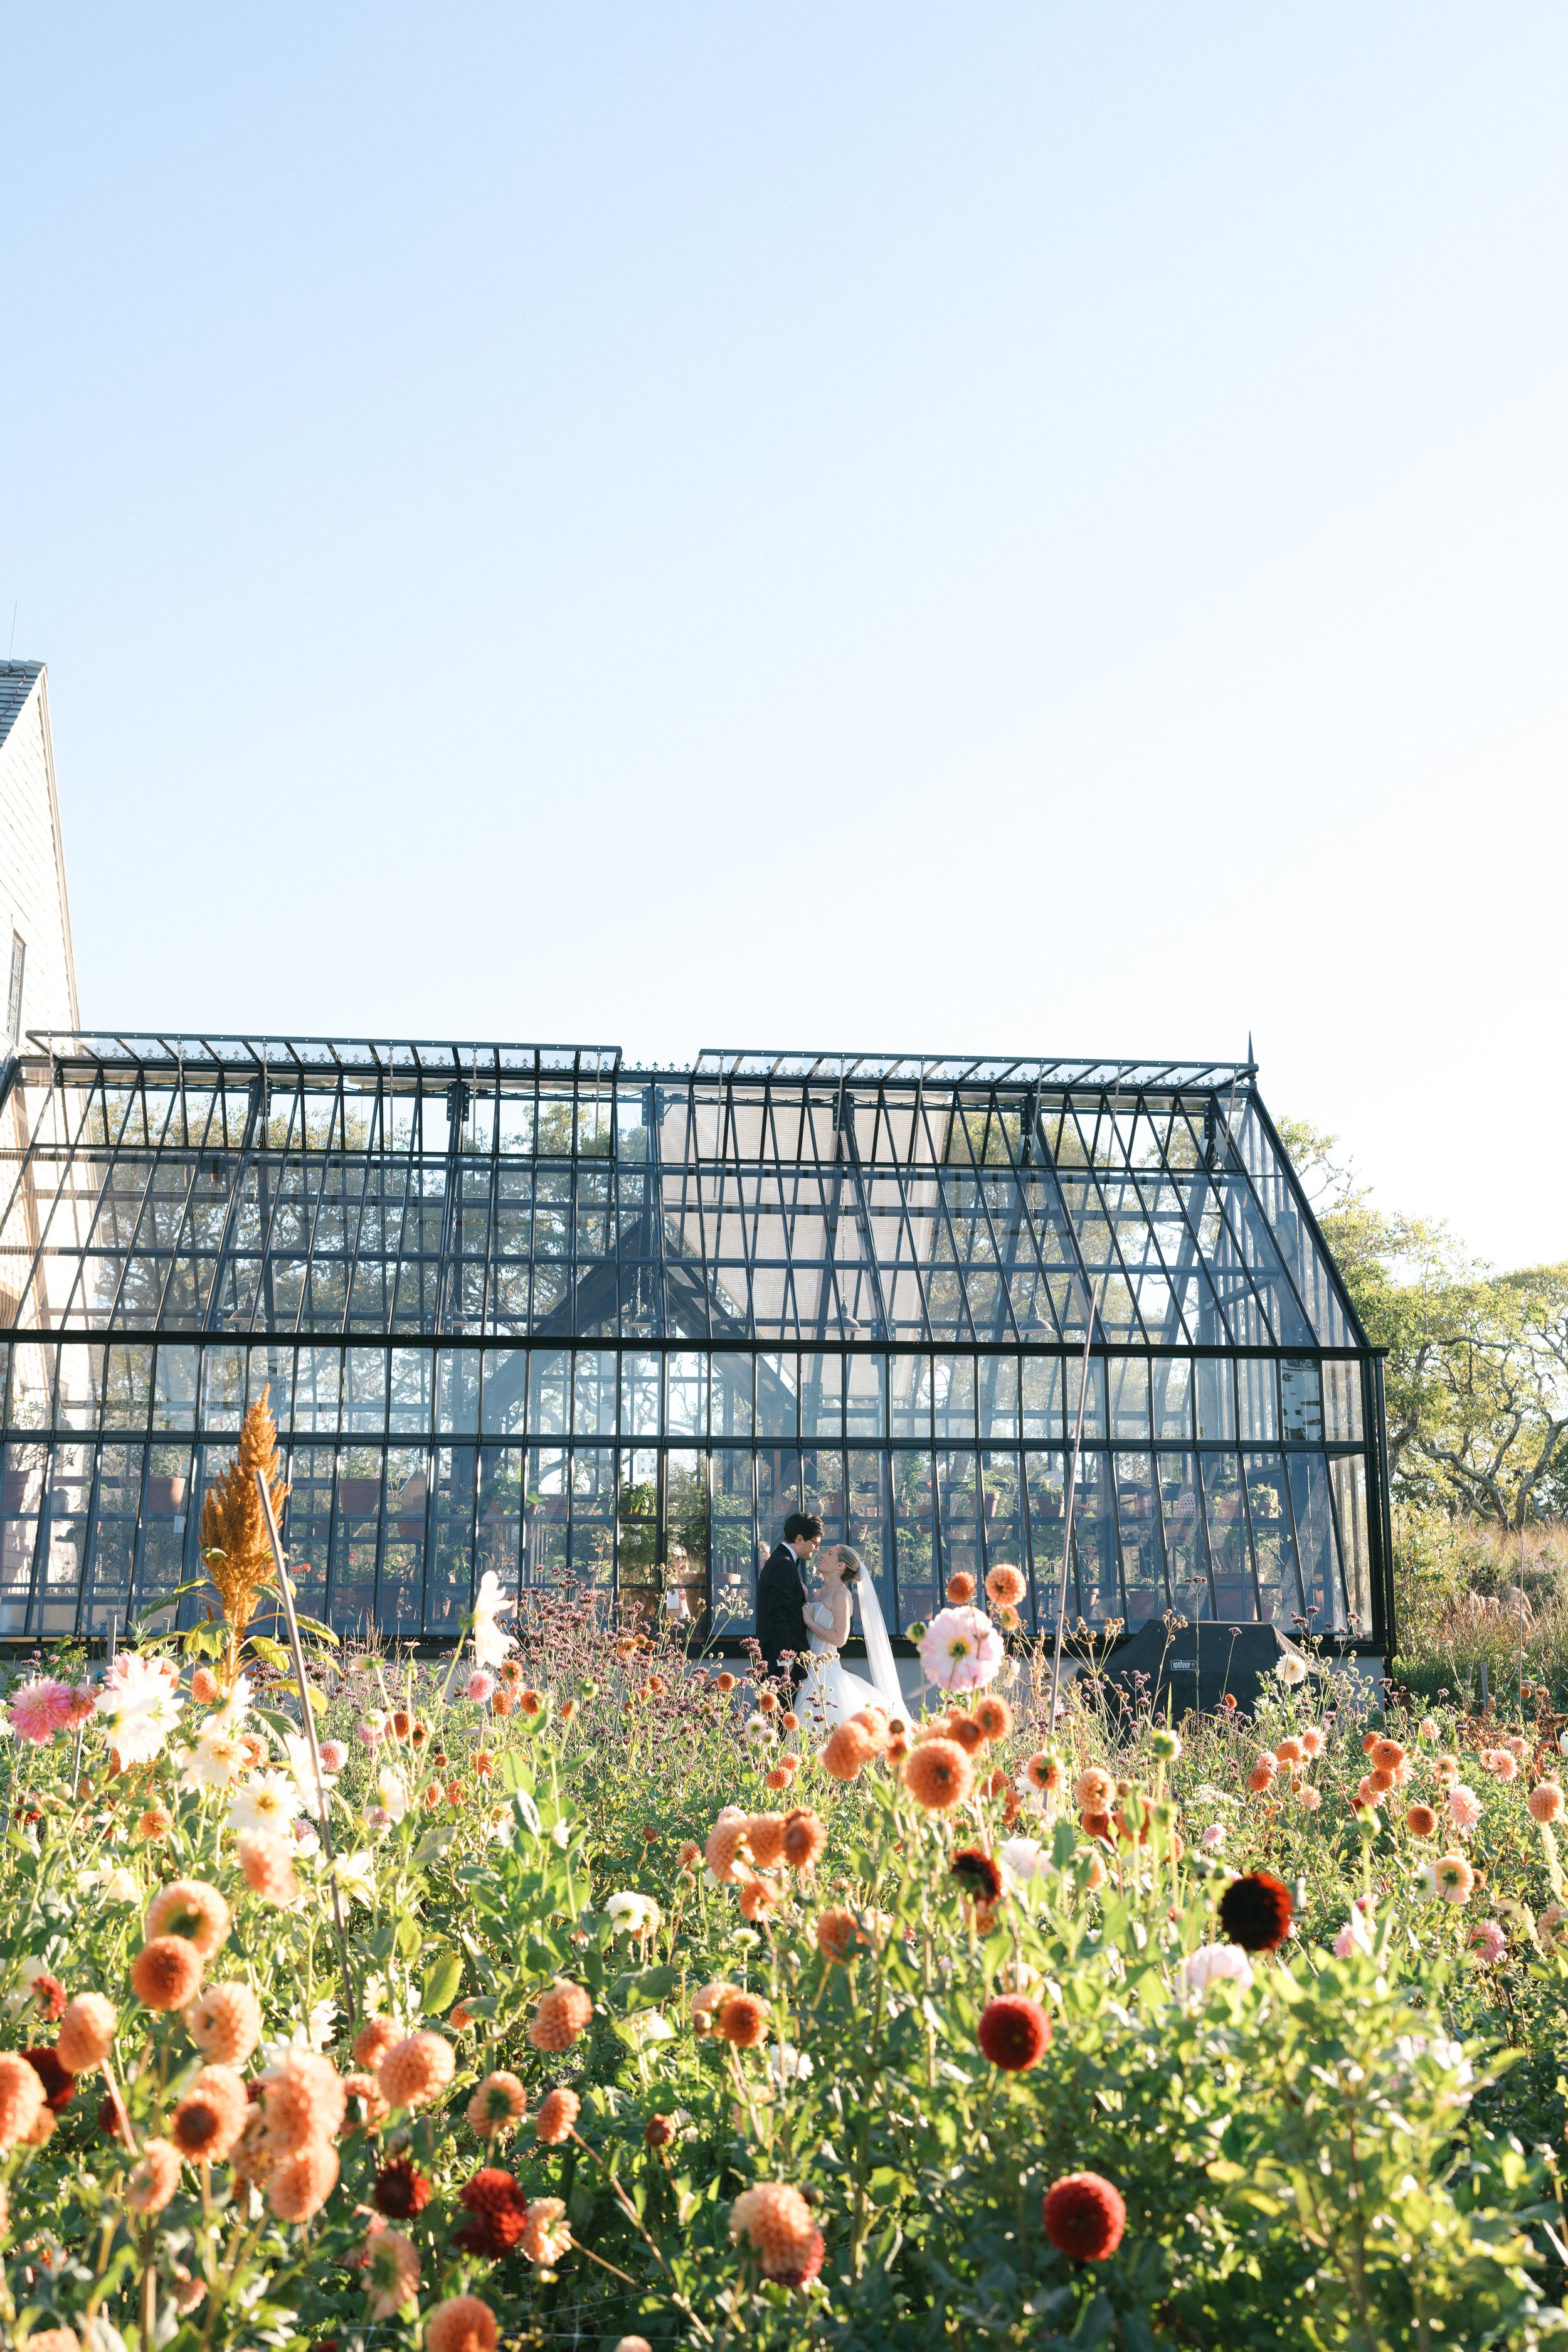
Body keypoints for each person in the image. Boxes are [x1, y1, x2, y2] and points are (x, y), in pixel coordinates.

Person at [797, 1544, 904, 1727]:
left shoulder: (842, 1595)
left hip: (826, 1675)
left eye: (830, 1554)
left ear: (840, 1566)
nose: (822, 1555)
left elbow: (840, 1638)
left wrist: (811, 1623)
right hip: (808, 1669)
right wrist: (806, 1599)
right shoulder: (822, 1591)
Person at [756, 1512, 822, 1683]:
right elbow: (778, 1615)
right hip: (782, 1666)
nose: (817, 1549)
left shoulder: (783, 1561)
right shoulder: (783, 1564)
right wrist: (786, 1660)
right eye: (815, 1543)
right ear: (800, 1539)